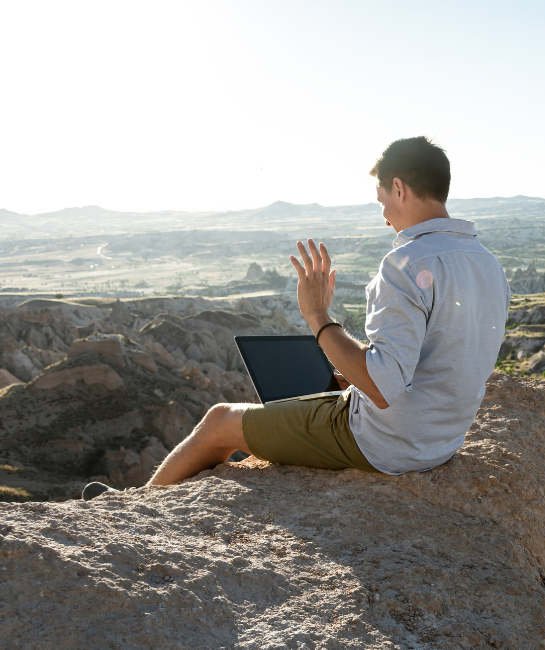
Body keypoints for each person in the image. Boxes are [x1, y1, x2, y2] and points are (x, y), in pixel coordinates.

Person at [82, 136, 509, 500]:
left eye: (382, 200)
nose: (384, 216)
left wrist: (318, 317)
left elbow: (383, 388)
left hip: (387, 444)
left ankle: (131, 508)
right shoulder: (487, 263)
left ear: (398, 188)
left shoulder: (405, 262)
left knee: (219, 422)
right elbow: (436, 360)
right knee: (287, 415)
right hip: (441, 441)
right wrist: (350, 377)